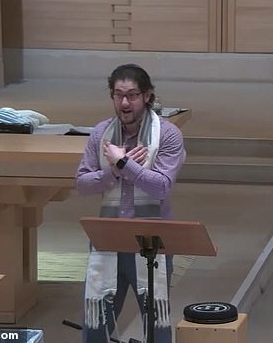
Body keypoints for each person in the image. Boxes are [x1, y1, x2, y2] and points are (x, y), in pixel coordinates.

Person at [75, 64, 186, 343]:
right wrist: (113, 171)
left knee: (156, 326)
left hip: (151, 240)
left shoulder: (168, 135)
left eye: (133, 95)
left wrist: (123, 163)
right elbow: (83, 184)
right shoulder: (101, 133)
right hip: (109, 238)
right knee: (96, 325)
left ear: (147, 96)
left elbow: (161, 186)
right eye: (118, 95)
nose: (125, 103)